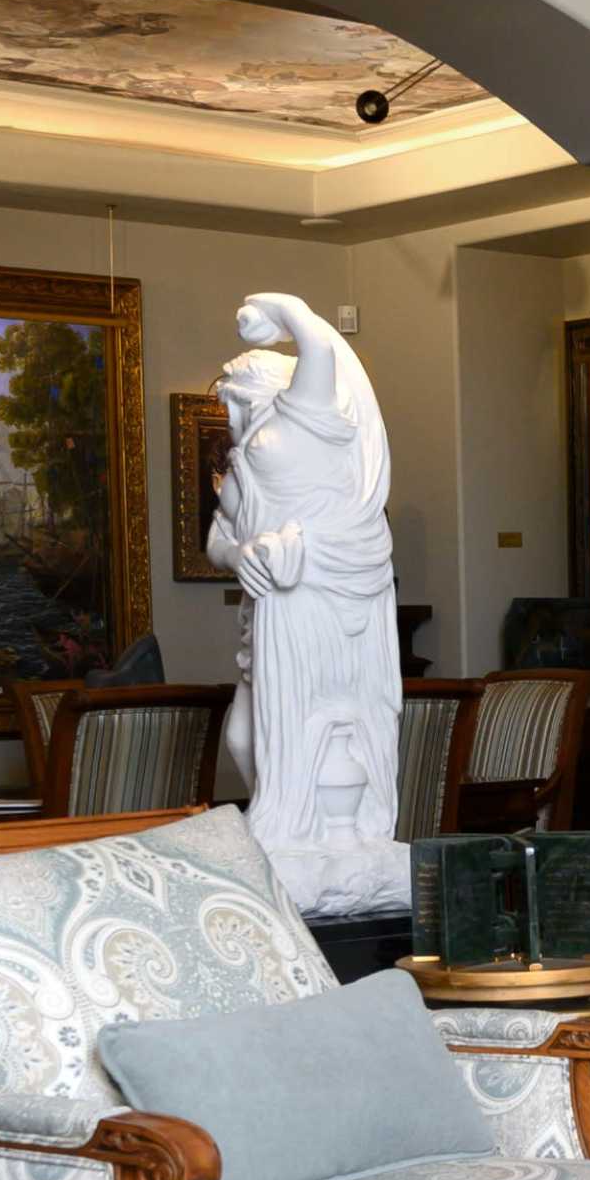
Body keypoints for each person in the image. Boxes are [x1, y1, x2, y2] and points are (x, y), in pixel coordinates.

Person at [214, 292, 406, 913]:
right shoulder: (243, 459)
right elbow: (220, 535)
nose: (231, 420)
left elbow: (319, 346)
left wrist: (278, 308)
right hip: (272, 603)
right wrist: (237, 554)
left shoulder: (306, 414)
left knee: (326, 723)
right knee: (247, 739)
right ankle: (285, 831)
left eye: (234, 404)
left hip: (323, 587)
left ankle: (338, 843)